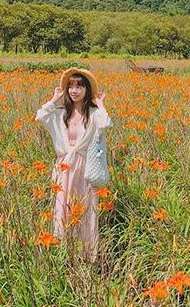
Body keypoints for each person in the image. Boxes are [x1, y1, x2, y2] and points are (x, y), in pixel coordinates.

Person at [35, 67, 112, 263]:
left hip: (84, 167)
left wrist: (100, 103)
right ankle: (64, 253)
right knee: (63, 208)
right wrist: (54, 98)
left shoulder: (94, 113)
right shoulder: (61, 112)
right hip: (64, 167)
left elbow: (105, 124)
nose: (74, 90)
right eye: (71, 86)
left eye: (79, 86)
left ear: (87, 90)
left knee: (85, 208)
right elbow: (40, 116)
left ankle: (86, 254)